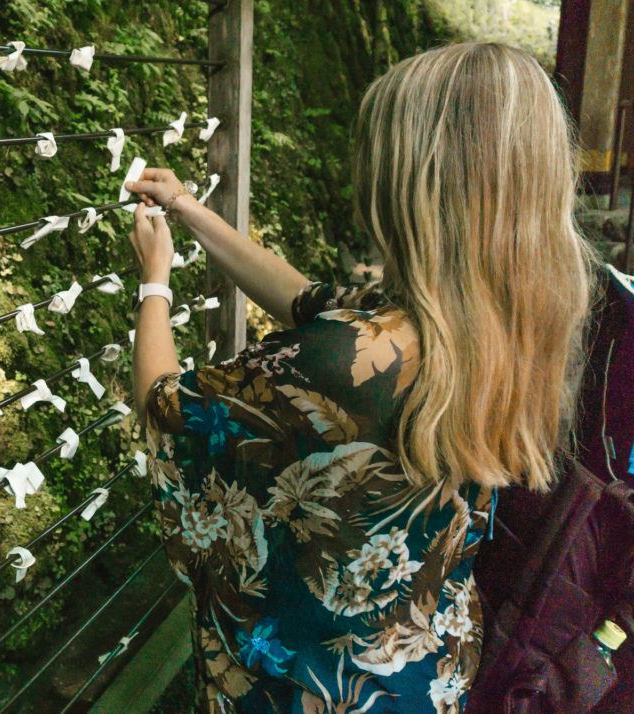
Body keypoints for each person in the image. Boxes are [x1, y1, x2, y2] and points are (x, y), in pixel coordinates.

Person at [126, 42, 598, 713]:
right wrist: (190, 211)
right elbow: (306, 298)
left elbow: (166, 408)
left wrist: (154, 280)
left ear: (411, 184)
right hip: (428, 672)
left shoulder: (336, 367)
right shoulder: (507, 318)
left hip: (312, 690)